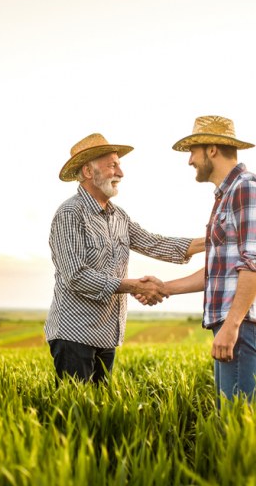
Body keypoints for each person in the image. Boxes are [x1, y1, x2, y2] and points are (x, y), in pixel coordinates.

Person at [45, 132, 203, 384]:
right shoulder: (69, 213)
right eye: (113, 165)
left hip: (106, 334)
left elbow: (154, 242)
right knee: (74, 414)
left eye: (119, 165)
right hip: (73, 334)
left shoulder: (119, 216)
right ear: (88, 171)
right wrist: (133, 286)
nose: (121, 172)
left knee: (100, 415)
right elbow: (76, 276)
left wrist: (212, 240)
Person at [144, 115, 256, 402]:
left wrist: (232, 325)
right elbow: (217, 273)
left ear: (212, 150)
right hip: (235, 323)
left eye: (193, 151)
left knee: (235, 425)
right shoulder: (226, 196)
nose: (190, 160)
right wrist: (164, 288)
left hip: (243, 325)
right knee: (226, 423)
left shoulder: (247, 187)